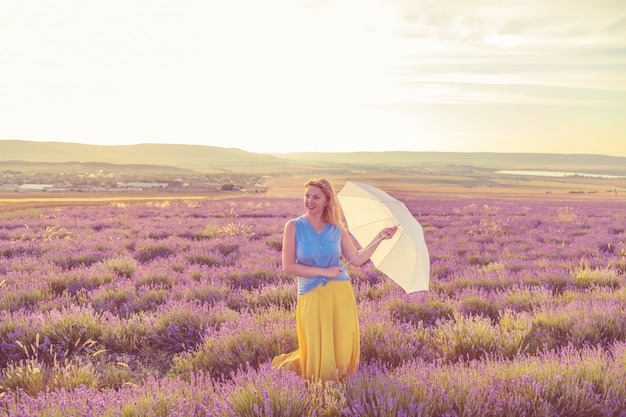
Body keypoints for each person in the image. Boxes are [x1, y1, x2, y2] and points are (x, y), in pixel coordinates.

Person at [271, 179, 397, 382]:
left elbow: (357, 260)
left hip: (340, 293)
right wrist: (323, 271)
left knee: (341, 340)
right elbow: (288, 266)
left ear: (327, 200)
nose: (309, 201)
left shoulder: (337, 228)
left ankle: (341, 384)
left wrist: (379, 238)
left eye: (316, 197)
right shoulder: (293, 226)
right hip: (311, 293)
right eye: (307, 196)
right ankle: (319, 384)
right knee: (315, 342)